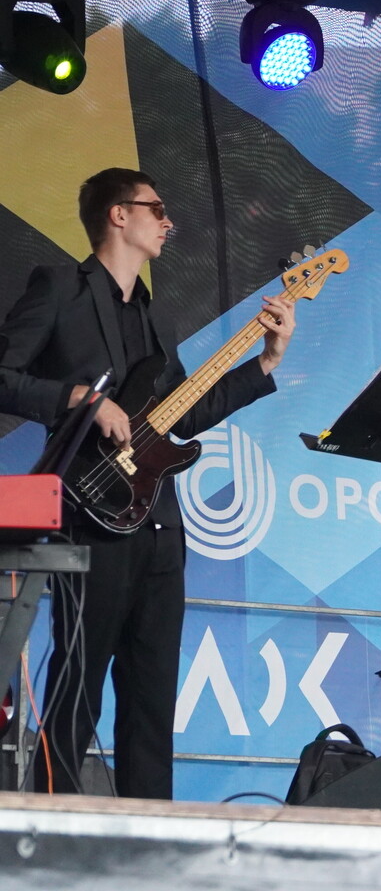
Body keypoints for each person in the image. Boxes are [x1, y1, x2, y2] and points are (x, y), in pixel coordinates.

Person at [0, 167, 298, 799]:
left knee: (152, 703)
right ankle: (47, 826)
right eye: (157, 209)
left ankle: (149, 837)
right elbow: (3, 376)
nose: (168, 221)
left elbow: (180, 415)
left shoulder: (157, 315)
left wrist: (266, 362)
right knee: (76, 690)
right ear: (119, 215)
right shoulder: (59, 288)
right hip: (89, 517)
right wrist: (81, 399)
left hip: (161, 523)